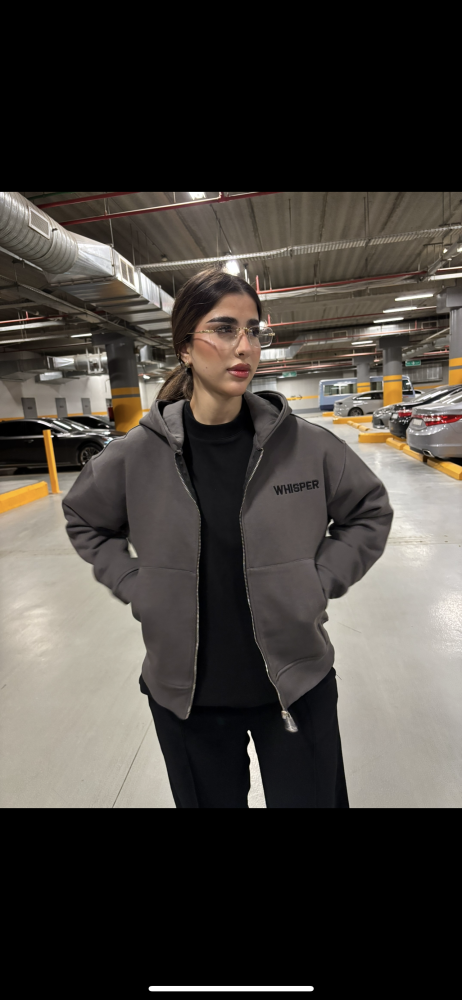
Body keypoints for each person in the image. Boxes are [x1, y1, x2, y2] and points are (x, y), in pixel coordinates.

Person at [62, 267, 393, 808]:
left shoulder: (305, 447)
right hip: (187, 700)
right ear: (185, 349)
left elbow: (368, 511)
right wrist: (135, 583)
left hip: (295, 685)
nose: (244, 347)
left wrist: (320, 580)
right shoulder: (136, 456)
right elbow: (84, 518)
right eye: (223, 329)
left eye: (253, 330)